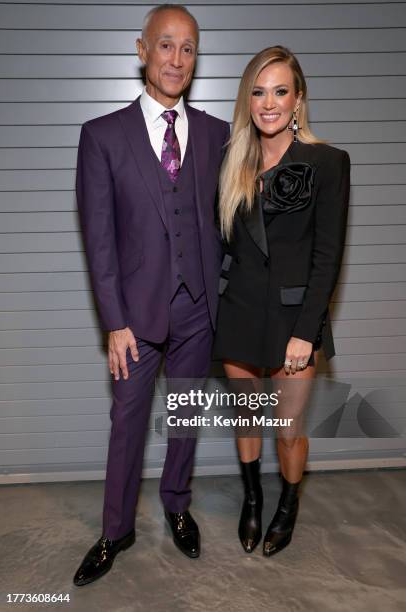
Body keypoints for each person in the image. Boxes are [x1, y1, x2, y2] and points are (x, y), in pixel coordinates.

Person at [73, 4, 229, 586]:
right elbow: (100, 239)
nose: (177, 59)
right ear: (142, 49)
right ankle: (115, 530)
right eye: (166, 46)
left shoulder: (217, 134)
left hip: (197, 310)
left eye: (188, 48)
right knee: (128, 422)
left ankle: (177, 504)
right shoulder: (102, 136)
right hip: (134, 318)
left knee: (185, 416)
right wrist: (113, 321)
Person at [213, 46, 350, 556]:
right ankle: (252, 500)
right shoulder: (231, 161)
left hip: (296, 320)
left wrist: (305, 332)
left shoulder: (328, 162)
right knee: (249, 421)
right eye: (257, 91)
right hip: (240, 315)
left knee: (289, 432)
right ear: (247, 99)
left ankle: (288, 505)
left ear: (298, 100)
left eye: (280, 91)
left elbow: (328, 258)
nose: (268, 103)